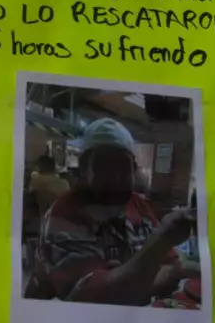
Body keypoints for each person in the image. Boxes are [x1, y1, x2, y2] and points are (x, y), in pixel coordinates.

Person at [25, 118, 200, 308]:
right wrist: (161, 241)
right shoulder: (64, 217)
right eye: (102, 166)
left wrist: (131, 277)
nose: (115, 177)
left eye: (123, 167)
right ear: (83, 169)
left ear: (134, 169)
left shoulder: (138, 205)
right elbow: (104, 301)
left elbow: (171, 264)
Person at [29, 155, 70, 221]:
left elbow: (30, 195)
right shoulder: (65, 183)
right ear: (54, 167)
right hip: (63, 219)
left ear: (38, 167)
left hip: (43, 218)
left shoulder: (37, 179)